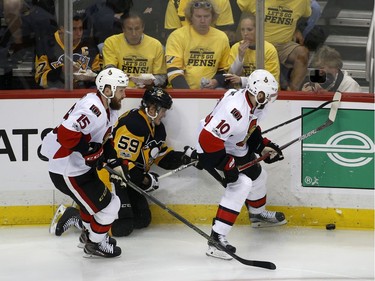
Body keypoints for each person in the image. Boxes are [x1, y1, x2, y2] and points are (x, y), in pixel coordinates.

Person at [51, 87, 199, 237]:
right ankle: (75, 215)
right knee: (121, 227)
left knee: (142, 219)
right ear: (153, 109)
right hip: (112, 177)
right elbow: (122, 163)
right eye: (163, 110)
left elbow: (161, 157)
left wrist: (185, 158)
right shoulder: (133, 124)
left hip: (127, 180)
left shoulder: (158, 128)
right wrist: (146, 181)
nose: (164, 114)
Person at [196, 69, 286, 260]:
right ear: (258, 92)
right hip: (211, 150)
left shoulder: (255, 103)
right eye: (267, 95)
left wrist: (263, 146)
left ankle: (257, 215)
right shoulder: (234, 110)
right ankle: (216, 239)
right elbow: (207, 139)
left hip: (232, 145)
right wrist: (226, 165)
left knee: (258, 175)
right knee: (241, 184)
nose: (270, 99)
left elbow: (249, 128)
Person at [40, 67, 129, 258]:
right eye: (121, 90)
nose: (124, 95)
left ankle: (92, 236)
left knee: (95, 208)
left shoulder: (108, 109)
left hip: (78, 168)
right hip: (68, 171)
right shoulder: (93, 108)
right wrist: (89, 151)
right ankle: (94, 244)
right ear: (108, 90)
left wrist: (114, 162)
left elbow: (105, 139)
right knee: (111, 207)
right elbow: (66, 134)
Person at [237, 0, 311, 91]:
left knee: (302, 53)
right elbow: (237, 9)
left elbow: (306, 16)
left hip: (284, 45)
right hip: (260, 44)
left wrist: (298, 28)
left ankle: (291, 93)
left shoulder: (302, 1)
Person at [165, 0, 230, 89]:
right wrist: (189, 96)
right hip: (182, 92)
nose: (202, 20)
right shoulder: (177, 36)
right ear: (191, 17)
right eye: (198, 16)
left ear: (212, 17)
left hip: (210, 92)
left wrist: (216, 81)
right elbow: (174, 71)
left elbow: (223, 70)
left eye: (206, 16)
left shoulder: (222, 37)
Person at [34, 14, 101, 88]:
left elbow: (100, 74)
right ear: (61, 29)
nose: (79, 33)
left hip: (84, 93)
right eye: (73, 29)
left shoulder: (90, 46)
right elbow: (39, 79)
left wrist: (91, 78)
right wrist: (61, 71)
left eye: (80, 29)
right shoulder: (46, 45)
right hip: (57, 93)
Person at [102, 12, 167, 88]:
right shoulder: (111, 42)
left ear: (143, 28)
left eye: (137, 28)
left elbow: (161, 77)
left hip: (147, 91)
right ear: (123, 29)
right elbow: (110, 70)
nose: (134, 33)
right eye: (130, 29)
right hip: (119, 89)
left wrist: (150, 83)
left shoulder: (156, 45)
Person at [225, 13, 280, 88]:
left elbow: (269, 81)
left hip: (264, 93)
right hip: (240, 93)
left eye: (249, 29)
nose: (245, 33)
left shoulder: (269, 49)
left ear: (258, 30)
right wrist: (240, 58)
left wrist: (242, 80)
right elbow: (229, 76)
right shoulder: (236, 47)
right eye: (242, 30)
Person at [164, 0, 234, 35]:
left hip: (213, 44)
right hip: (184, 44)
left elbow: (224, 33)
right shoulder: (175, 2)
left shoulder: (221, 1)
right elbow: (172, 35)